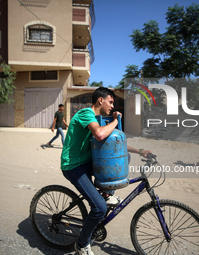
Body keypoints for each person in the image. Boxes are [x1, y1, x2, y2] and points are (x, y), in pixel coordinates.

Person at [61, 87, 151, 255]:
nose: (112, 106)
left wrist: (140, 151)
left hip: (88, 162)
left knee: (124, 160)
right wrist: (116, 120)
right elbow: (100, 135)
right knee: (100, 208)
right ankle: (81, 245)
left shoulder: (99, 119)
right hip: (73, 166)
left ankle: (105, 195)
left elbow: (114, 141)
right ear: (100, 100)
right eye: (110, 102)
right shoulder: (86, 114)